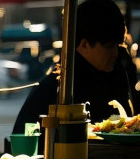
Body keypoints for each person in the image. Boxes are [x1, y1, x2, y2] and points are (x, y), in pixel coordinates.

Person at [13, 0, 140, 140]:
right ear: (84, 45)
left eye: (119, 45)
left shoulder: (121, 72)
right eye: (109, 46)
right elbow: (23, 139)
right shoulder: (59, 88)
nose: (115, 52)